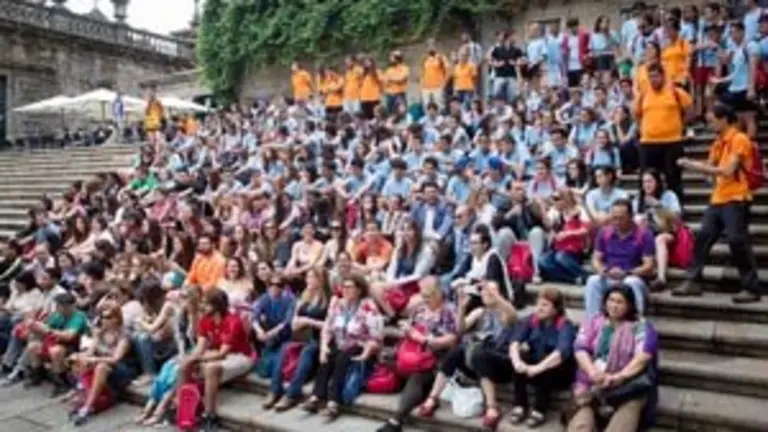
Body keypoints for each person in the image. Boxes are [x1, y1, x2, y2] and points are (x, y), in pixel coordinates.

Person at [674, 103, 762, 302]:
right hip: (719, 197)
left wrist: (692, 165)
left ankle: (751, 287)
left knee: (737, 240)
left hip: (738, 197)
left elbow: (728, 170)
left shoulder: (739, 139)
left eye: (712, 120)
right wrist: (703, 170)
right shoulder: (718, 142)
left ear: (724, 119)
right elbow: (711, 168)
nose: (710, 124)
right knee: (704, 236)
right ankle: (693, 280)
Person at [566, 285, 658, 432]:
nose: (614, 306)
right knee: (580, 426)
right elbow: (580, 348)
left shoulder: (641, 326)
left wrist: (619, 377)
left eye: (620, 302)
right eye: (611, 300)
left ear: (629, 305)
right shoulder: (594, 321)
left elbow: (644, 355)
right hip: (591, 386)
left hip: (628, 388)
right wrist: (593, 373)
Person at [376, 277, 458, 432]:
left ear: (439, 293)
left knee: (417, 378)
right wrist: (406, 328)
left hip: (433, 359)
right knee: (383, 356)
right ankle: (419, 392)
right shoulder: (420, 308)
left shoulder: (449, 310)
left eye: (429, 295)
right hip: (412, 354)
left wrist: (425, 340)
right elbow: (410, 327)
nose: (425, 299)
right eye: (423, 295)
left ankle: (396, 420)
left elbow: (452, 340)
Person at [301, 275, 382, 420]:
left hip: (360, 347)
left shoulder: (368, 307)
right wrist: (324, 347)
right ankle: (315, 397)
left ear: (359, 290)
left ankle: (333, 402)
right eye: (343, 287)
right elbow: (327, 328)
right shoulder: (337, 304)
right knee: (327, 356)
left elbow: (376, 339)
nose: (345, 290)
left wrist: (366, 353)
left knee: (343, 357)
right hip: (339, 343)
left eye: (349, 287)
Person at [178, 288, 255, 431]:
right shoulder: (205, 320)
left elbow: (222, 353)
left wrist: (199, 359)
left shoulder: (233, 321)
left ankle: (210, 416)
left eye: (206, 303)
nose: (202, 306)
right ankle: (183, 410)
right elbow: (200, 348)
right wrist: (191, 359)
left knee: (211, 367)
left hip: (241, 356)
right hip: (216, 354)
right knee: (184, 366)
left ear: (217, 306)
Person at [507, 287, 576, 427]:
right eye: (538, 304)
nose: (539, 308)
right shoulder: (531, 320)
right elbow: (514, 342)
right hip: (535, 368)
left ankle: (539, 409)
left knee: (548, 361)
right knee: (521, 356)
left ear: (556, 309)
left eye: (545, 305)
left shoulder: (565, 325)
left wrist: (538, 368)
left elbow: (560, 353)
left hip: (558, 372)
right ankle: (519, 404)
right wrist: (517, 362)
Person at [265, 268, 329, 411]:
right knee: (284, 348)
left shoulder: (328, 299)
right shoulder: (303, 297)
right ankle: (275, 390)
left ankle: (292, 394)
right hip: (302, 337)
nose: (309, 280)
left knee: (308, 350)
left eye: (313, 277)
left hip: (320, 339)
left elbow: (329, 325)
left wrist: (308, 321)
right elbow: (293, 324)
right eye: (308, 277)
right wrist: (298, 318)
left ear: (321, 279)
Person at [584, 199, 655, 316]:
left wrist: (627, 272)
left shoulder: (644, 234)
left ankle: (637, 324)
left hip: (632, 276)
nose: (617, 222)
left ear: (631, 216)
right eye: (614, 217)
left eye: (621, 218)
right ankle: (593, 323)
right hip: (609, 276)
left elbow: (649, 265)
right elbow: (596, 258)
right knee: (593, 281)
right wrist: (603, 270)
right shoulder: (604, 233)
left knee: (632, 282)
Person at [68, 305, 136, 426]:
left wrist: (94, 359)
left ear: (116, 319)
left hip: (121, 369)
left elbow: (116, 359)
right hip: (101, 365)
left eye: (107, 317)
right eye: (102, 317)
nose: (103, 320)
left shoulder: (123, 334)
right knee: (77, 358)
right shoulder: (100, 333)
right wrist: (93, 341)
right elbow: (89, 352)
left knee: (101, 367)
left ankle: (87, 407)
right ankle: (82, 393)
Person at [634, 62, 693, 201]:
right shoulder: (644, 94)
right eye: (650, 77)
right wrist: (643, 129)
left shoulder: (675, 91)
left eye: (656, 76)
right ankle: (645, 207)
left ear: (663, 76)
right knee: (646, 178)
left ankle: (676, 208)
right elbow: (636, 113)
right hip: (648, 142)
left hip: (672, 141)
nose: (653, 79)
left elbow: (690, 110)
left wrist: (681, 125)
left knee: (673, 178)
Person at [23, 292, 88, 396]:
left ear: (69, 306)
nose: (57, 308)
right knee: (33, 346)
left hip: (74, 346)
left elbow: (69, 336)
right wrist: (34, 326)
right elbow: (45, 326)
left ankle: (61, 383)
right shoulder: (58, 315)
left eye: (60, 306)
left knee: (56, 351)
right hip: (57, 342)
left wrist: (48, 331)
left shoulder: (78, 316)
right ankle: (37, 375)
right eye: (57, 305)